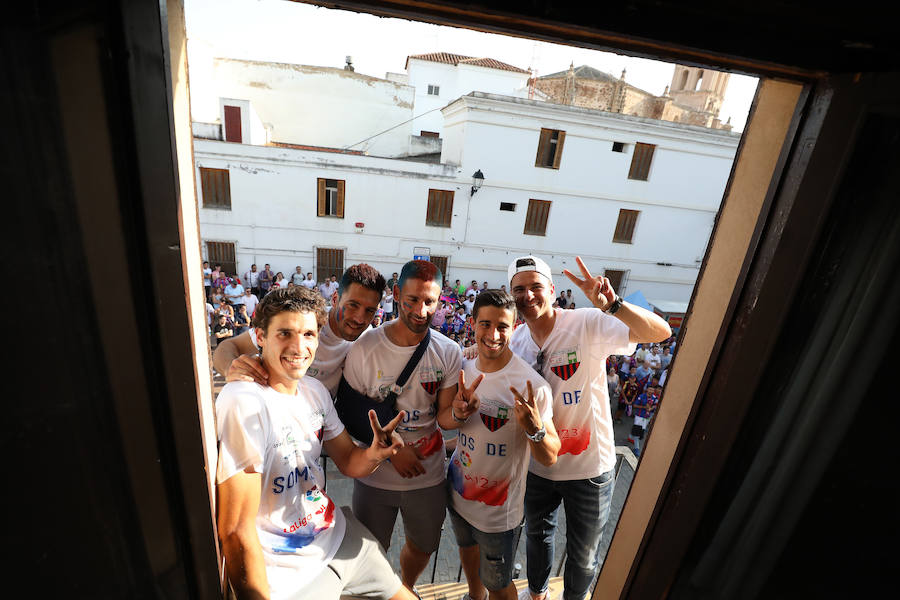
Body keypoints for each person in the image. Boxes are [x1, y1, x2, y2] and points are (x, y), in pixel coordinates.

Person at [214, 286, 419, 600]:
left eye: (309, 334)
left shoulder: (314, 390)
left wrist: (376, 453)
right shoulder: (244, 401)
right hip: (289, 573)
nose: (299, 347)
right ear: (260, 336)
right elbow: (236, 530)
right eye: (285, 333)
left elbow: (350, 461)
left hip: (336, 534)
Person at [507, 255, 670, 600]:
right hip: (538, 465)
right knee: (537, 536)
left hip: (589, 470)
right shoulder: (516, 342)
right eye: (518, 289)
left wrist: (613, 305)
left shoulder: (586, 323)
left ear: (552, 290)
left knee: (582, 555)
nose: (528, 295)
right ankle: (536, 594)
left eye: (536, 286)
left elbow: (660, 332)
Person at [342, 260, 464, 593]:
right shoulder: (364, 349)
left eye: (429, 301)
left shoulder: (448, 352)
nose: (420, 310)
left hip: (428, 474)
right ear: (396, 294)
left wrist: (462, 412)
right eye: (411, 300)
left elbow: (444, 418)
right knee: (370, 549)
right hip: (376, 474)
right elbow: (352, 413)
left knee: (424, 544)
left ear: (440, 300)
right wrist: (395, 451)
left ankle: (406, 586)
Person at [448, 290, 560, 600]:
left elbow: (550, 456)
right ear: (473, 324)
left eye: (502, 326)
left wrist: (534, 428)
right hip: (458, 493)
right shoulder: (463, 366)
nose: (493, 334)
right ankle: (473, 596)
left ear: (515, 328)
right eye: (485, 324)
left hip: (498, 515)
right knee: (467, 554)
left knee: (498, 585)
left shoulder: (532, 386)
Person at [216, 264, 386, 398]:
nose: (359, 318)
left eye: (369, 311)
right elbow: (227, 347)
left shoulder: (365, 338)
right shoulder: (306, 320)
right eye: (352, 306)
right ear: (335, 299)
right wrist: (231, 368)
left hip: (317, 423)